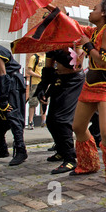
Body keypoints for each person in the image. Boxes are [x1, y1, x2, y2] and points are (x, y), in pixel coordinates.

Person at [45, 0, 106, 190]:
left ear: (105, 13)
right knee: (78, 127)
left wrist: (88, 45)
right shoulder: (95, 30)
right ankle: (89, 164)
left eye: (94, 8)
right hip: (90, 86)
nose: (91, 11)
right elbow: (71, 24)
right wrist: (49, 6)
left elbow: (104, 61)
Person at [35, 46, 85, 174]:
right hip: (59, 80)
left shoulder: (76, 43)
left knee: (62, 119)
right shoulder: (52, 45)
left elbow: (75, 65)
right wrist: (42, 87)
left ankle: (70, 158)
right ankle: (62, 151)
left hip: (74, 81)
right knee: (51, 120)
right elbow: (48, 68)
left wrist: (62, 49)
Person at [0, 28, 27, 166]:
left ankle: (21, 150)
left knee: (12, 114)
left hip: (12, 83)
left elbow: (3, 74)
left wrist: (3, 98)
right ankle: (2, 148)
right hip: (5, 83)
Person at [26, 52, 47, 129]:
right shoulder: (34, 57)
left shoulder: (46, 56)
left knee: (44, 101)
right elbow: (29, 71)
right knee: (33, 102)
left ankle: (43, 121)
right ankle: (30, 122)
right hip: (35, 83)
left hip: (44, 83)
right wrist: (40, 76)